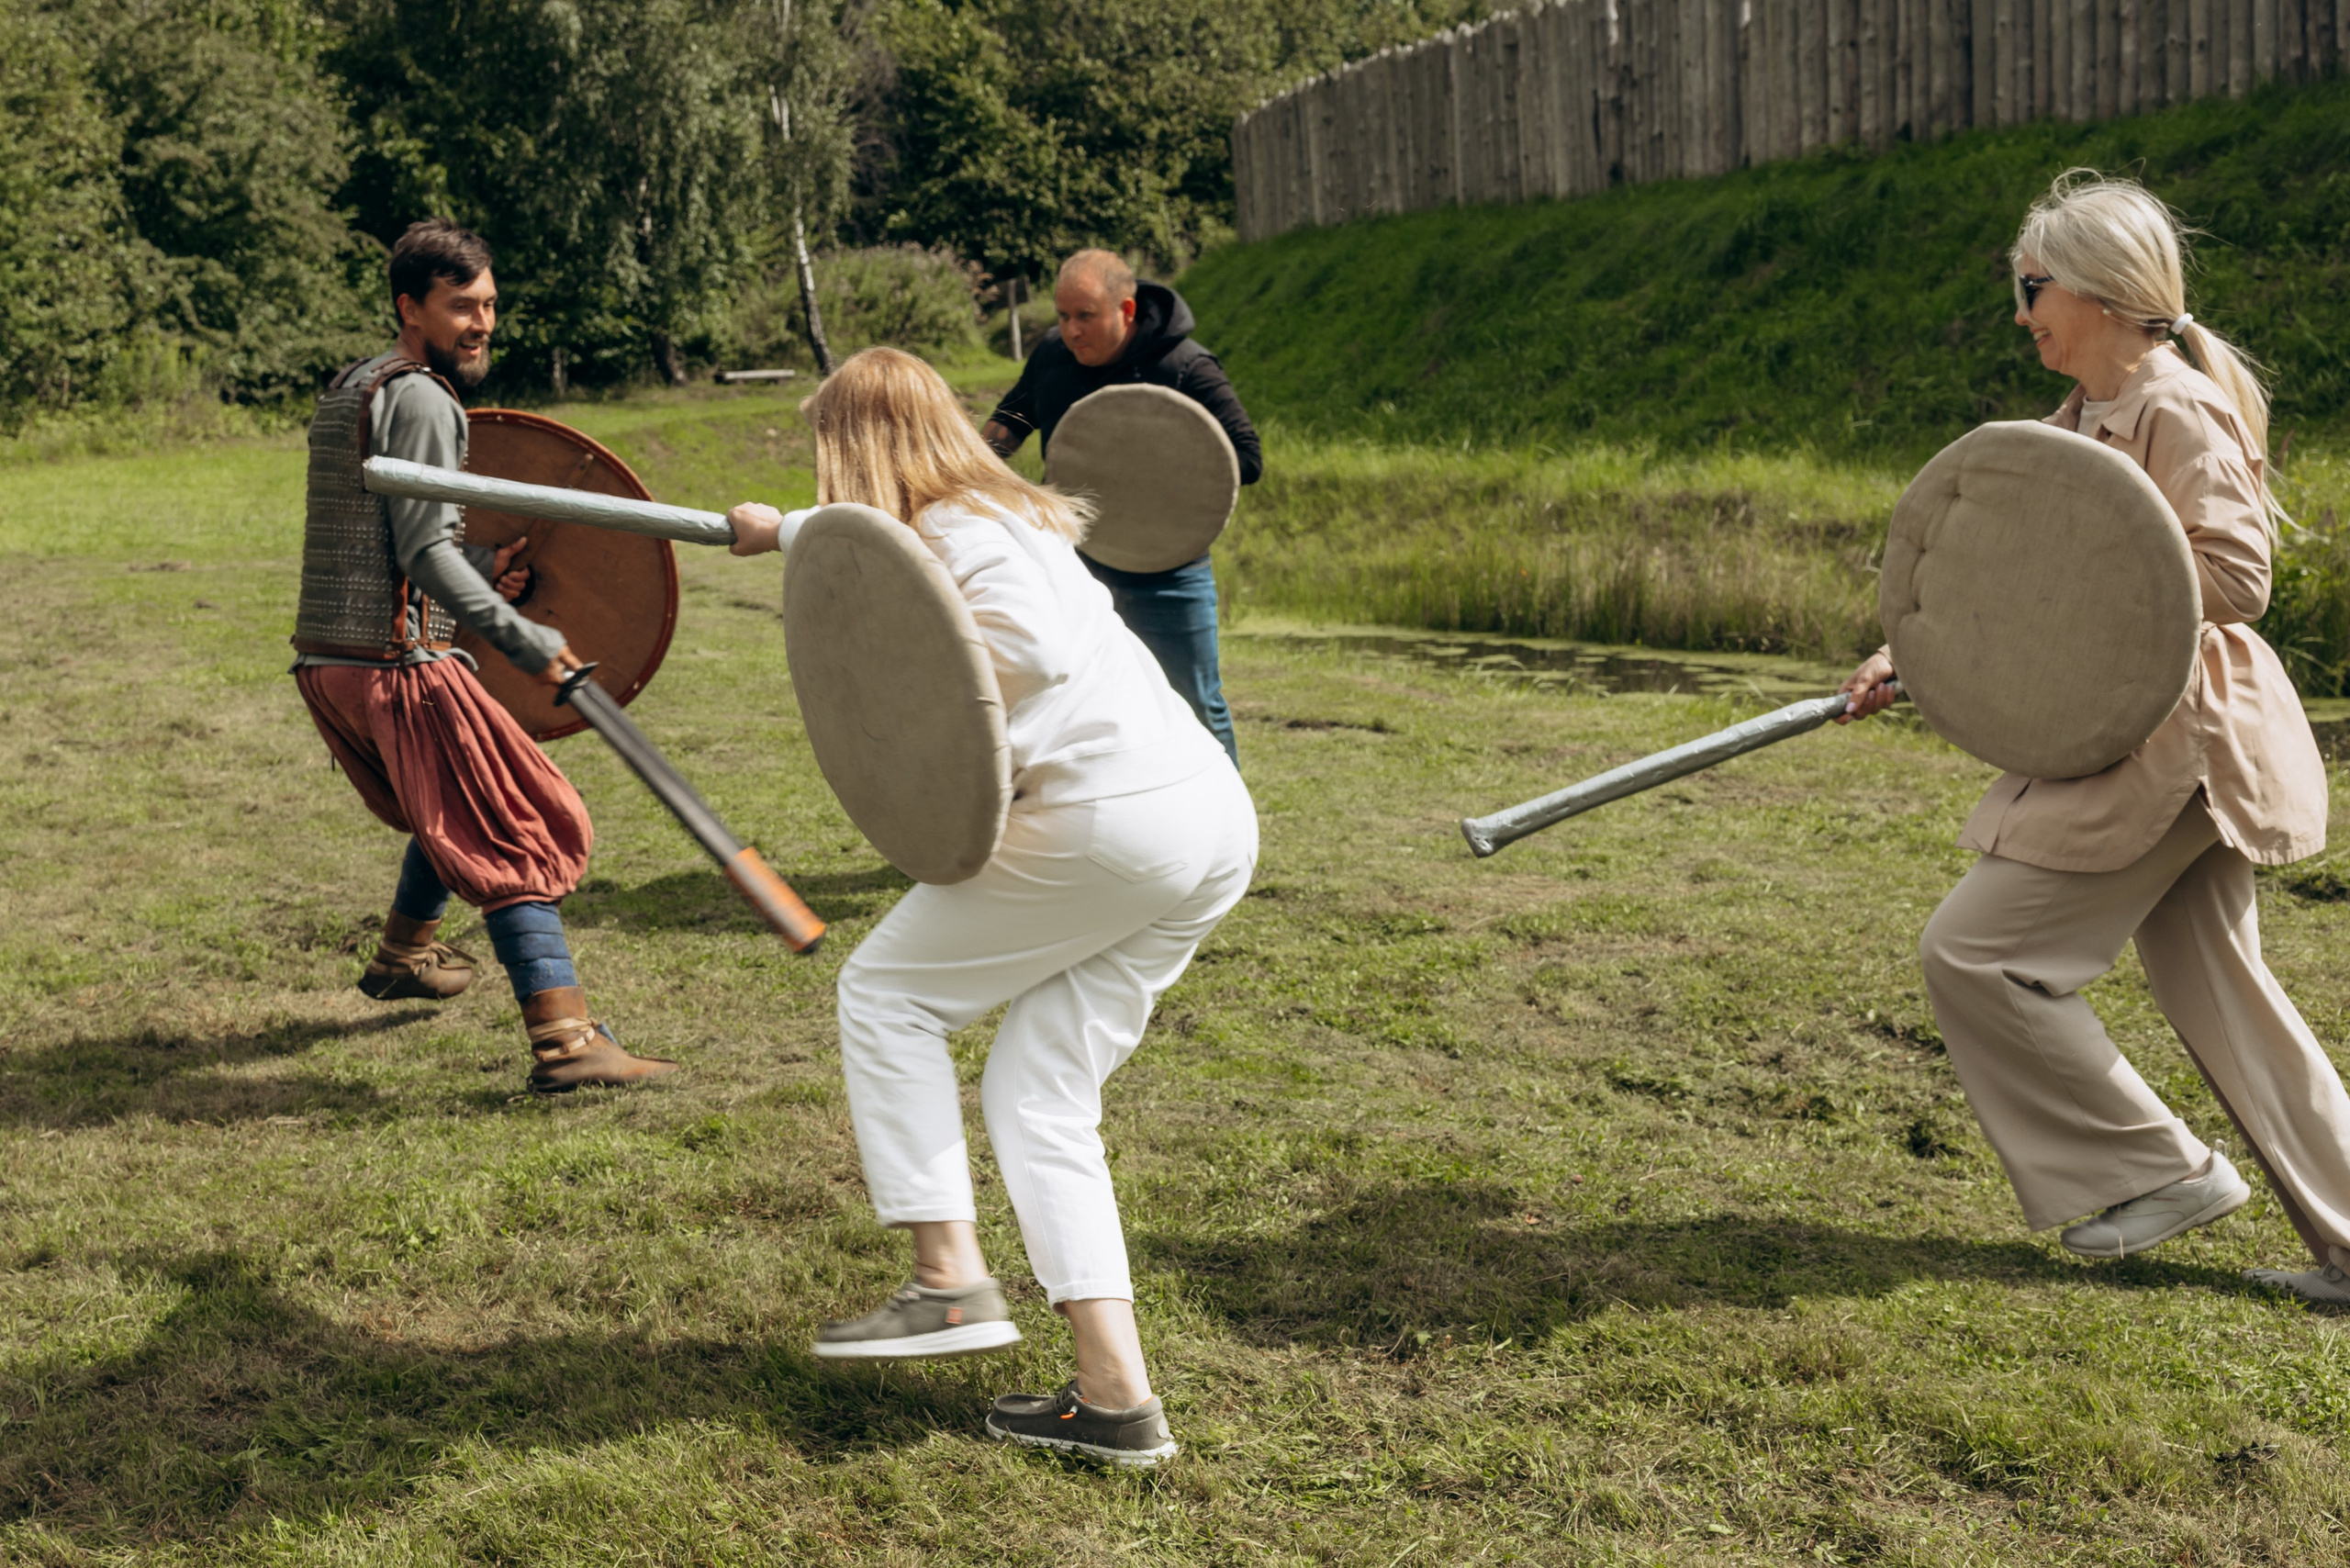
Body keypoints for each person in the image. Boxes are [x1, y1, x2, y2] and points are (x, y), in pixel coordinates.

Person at [728, 348, 1259, 1466]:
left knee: (888, 995)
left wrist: (976, 763)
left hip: (1116, 821)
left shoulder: (969, 534)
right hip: (1199, 818)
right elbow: (885, 558)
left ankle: (947, 1276)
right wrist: (782, 531)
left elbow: (1021, 647)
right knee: (1037, 1090)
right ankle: (1115, 1398)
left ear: (858, 447)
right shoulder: (994, 514)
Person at [1840, 171, 2350, 1305]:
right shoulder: (2080, 421)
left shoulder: (2172, 405)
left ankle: (2159, 1171)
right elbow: (2018, 587)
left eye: (2034, 286)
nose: (2022, 313)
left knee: (1976, 951)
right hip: (2141, 733)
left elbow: (2235, 575)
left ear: (2104, 291)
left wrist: (2099, 602)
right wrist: (1910, 654)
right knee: (2225, 993)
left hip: (2180, 737)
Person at [291, 218, 679, 1093]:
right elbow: (423, 552)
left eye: (490, 305)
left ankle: (401, 956)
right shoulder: (425, 398)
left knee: (457, 794)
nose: (482, 324)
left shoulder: (356, 385)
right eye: (460, 306)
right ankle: (567, 1043)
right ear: (410, 307)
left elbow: (383, 538)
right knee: (510, 819)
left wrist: (477, 568)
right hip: (398, 666)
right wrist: (527, 638)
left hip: (331, 662)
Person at [980, 250, 1261, 767]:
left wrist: (1153, 463)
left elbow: (1245, 458)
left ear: (1126, 311)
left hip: (1168, 570)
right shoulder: (1051, 356)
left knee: (1195, 701)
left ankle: (1227, 836)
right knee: (1068, 696)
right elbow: (1011, 421)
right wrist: (967, 476)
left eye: (1085, 316)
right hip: (1075, 561)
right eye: (1063, 316)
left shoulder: (1184, 366)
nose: (1071, 330)